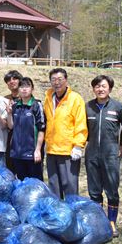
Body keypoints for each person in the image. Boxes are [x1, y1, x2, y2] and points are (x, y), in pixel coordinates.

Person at [85, 75, 122, 237]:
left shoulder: (118, 107)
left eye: (103, 86)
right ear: (93, 89)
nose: (100, 89)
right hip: (92, 154)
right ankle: (98, 222)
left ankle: (111, 223)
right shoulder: (87, 106)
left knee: (112, 190)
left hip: (110, 154)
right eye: (97, 86)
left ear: (109, 88)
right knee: (94, 191)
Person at [43, 68, 87, 199]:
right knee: (53, 186)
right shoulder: (48, 98)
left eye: (60, 79)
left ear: (66, 80)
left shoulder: (75, 99)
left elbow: (80, 122)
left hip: (68, 151)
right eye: (53, 80)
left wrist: (78, 145)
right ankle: (57, 215)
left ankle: (72, 213)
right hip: (51, 149)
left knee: (70, 186)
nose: (57, 83)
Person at [6, 77, 46, 181]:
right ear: (18, 89)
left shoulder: (36, 105)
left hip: (32, 153)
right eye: (22, 86)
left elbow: (41, 129)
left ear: (32, 88)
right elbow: (11, 126)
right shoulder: (15, 106)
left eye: (27, 86)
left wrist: (38, 150)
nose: (24, 89)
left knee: (35, 183)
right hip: (17, 153)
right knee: (22, 183)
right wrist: (9, 114)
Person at [3, 70, 23, 172]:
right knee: (9, 170)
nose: (11, 81)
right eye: (8, 80)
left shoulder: (26, 99)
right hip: (9, 139)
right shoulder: (5, 100)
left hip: (24, 140)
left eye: (14, 78)